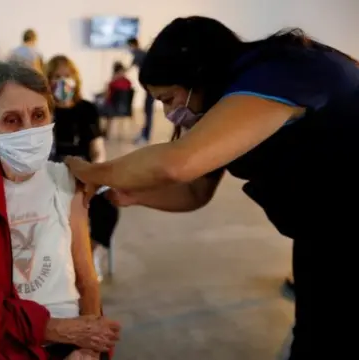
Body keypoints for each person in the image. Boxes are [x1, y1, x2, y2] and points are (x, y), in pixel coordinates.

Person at [64, 16, 359, 359]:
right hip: (323, 230)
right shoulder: (222, 103)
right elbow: (194, 192)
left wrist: (92, 171)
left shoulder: (279, 73)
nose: (170, 112)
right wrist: (132, 194)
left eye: (170, 98)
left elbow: (177, 163)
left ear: (198, 75)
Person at [0, 59, 120, 359]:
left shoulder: (65, 180)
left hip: (73, 340)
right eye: (12, 120)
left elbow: (86, 277)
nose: (30, 129)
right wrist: (63, 330)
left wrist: (87, 347)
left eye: (39, 115)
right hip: (11, 344)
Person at [46, 55, 119, 282]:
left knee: (108, 207)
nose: (62, 81)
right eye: (57, 76)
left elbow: (97, 150)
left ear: (75, 79)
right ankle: (61, 258)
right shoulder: (44, 111)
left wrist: (96, 176)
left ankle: (88, 255)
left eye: (67, 76)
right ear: (48, 81)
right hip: (52, 177)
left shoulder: (87, 109)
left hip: (86, 175)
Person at [127, 37, 155, 144]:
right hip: (149, 87)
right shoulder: (142, 53)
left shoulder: (138, 54)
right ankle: (144, 134)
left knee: (148, 111)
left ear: (132, 45)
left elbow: (128, 69)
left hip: (151, 87)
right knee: (147, 110)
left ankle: (146, 136)